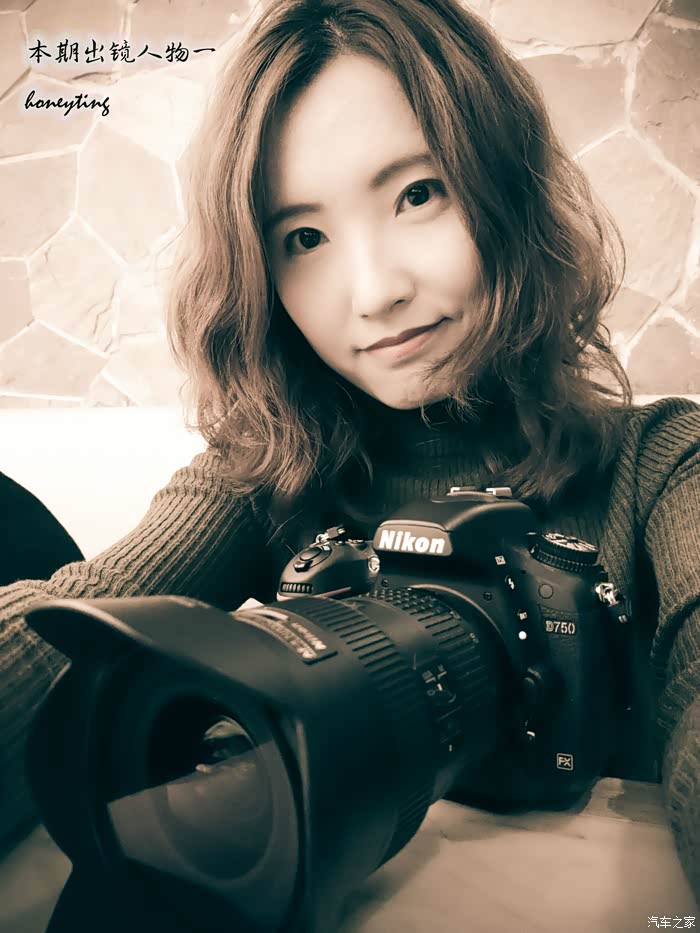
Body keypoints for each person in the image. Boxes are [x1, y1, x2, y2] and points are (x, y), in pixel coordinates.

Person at [1, 0, 698, 909]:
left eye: (419, 193)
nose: (373, 293)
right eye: (305, 238)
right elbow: (73, 621)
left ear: (506, 185)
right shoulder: (267, 472)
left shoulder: (662, 464)